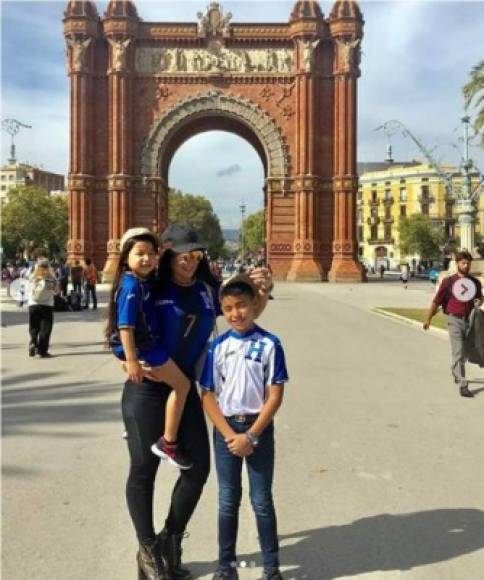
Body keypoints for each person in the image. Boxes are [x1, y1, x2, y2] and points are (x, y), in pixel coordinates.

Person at [120, 224, 273, 580]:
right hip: (147, 388)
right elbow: (119, 327)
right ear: (167, 253)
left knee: (198, 469)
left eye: (195, 253)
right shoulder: (149, 286)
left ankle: (169, 541)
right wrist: (124, 358)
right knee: (144, 470)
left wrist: (260, 290)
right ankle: (148, 551)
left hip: (185, 389)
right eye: (181, 253)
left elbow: (244, 313)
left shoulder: (207, 290)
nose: (189, 259)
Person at [200, 275, 288, 580]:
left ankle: (271, 569)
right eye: (228, 308)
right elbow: (208, 395)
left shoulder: (270, 344)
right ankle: (226, 568)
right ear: (222, 310)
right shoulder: (218, 347)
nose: (236, 313)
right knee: (228, 500)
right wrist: (230, 436)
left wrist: (251, 435)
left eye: (242, 306)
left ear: (255, 305)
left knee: (261, 500)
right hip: (226, 429)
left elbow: (274, 396)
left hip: (257, 429)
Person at [107, 228, 191, 469]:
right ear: (125, 258)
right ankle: (169, 442)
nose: (147, 258)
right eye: (140, 253)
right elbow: (125, 326)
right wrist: (131, 360)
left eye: (152, 254)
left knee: (164, 382)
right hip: (144, 348)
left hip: (145, 345)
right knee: (182, 385)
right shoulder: (132, 286)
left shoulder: (140, 281)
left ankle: (134, 425)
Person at [423, 250, 483, 397]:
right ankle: (463, 385)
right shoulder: (448, 282)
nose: (466, 265)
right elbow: (437, 301)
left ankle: (456, 370)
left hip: (470, 319)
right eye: (463, 263)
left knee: (466, 352)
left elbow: (480, 298)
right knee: (458, 351)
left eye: (468, 263)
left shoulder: (474, 282)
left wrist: (479, 301)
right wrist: (428, 318)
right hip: (454, 319)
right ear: (457, 264)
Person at [28, 258, 58, 358]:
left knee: (34, 326)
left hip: (33, 304)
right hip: (47, 305)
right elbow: (57, 291)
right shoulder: (51, 277)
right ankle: (42, 351)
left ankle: (33, 342)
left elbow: (27, 288)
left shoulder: (32, 276)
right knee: (45, 328)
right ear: (48, 266)